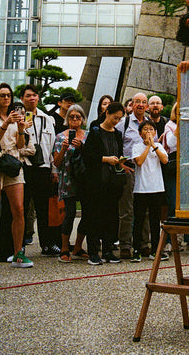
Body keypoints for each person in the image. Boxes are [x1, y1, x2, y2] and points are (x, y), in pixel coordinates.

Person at [0, 84, 34, 270]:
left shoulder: (17, 118)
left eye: (9, 96)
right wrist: (6, 123)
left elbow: (20, 145)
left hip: (13, 160)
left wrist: (20, 128)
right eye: (2, 95)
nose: (6, 98)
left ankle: (18, 253)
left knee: (18, 209)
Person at [82, 101, 130, 265]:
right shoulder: (95, 131)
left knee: (111, 216)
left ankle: (108, 250)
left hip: (113, 181)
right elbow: (88, 157)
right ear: (107, 113)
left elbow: (120, 151)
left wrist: (120, 161)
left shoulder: (117, 134)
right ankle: (93, 252)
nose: (116, 121)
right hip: (96, 181)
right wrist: (106, 159)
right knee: (94, 216)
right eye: (114, 117)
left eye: (119, 119)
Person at [20, 85, 61, 256]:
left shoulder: (47, 119)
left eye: (34, 95)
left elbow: (52, 147)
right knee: (21, 207)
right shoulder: (16, 118)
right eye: (28, 96)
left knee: (43, 208)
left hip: (43, 168)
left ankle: (47, 244)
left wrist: (54, 169)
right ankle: (19, 243)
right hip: (24, 166)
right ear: (22, 98)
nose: (32, 98)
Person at [159, 103, 189, 254]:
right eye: (179, 111)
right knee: (173, 203)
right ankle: (170, 241)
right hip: (174, 166)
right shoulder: (170, 126)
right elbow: (171, 143)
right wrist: (181, 126)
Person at [52, 104, 89, 263]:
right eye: (72, 117)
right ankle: (64, 247)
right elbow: (56, 162)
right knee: (70, 212)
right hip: (67, 179)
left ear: (82, 119)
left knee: (87, 213)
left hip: (84, 180)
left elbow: (92, 158)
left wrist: (82, 148)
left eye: (78, 117)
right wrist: (64, 149)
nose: (75, 120)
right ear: (67, 119)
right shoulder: (61, 137)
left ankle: (78, 246)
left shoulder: (87, 136)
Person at [130, 119, 169, 262]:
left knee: (155, 220)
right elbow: (139, 162)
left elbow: (165, 160)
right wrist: (147, 147)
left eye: (151, 129)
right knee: (139, 220)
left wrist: (154, 145)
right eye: (145, 130)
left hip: (157, 188)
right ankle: (136, 250)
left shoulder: (159, 146)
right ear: (140, 133)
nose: (148, 132)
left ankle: (155, 250)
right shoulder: (136, 146)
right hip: (141, 189)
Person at [116, 92, 149, 258]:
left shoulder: (149, 124)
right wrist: (120, 163)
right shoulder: (124, 122)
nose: (141, 105)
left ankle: (144, 243)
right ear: (132, 104)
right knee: (127, 208)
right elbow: (115, 142)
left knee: (145, 208)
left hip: (146, 170)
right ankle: (125, 245)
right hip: (129, 168)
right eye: (137, 102)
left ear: (147, 106)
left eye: (144, 102)